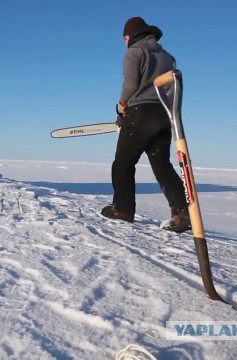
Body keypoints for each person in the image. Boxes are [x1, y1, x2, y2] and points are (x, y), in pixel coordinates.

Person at [100, 16, 191, 233]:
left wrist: (123, 104)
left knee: (123, 163)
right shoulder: (168, 57)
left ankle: (122, 209)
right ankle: (182, 212)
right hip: (165, 114)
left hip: (140, 112)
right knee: (161, 163)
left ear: (130, 35)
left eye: (125, 37)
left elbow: (131, 82)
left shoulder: (134, 53)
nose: (124, 41)